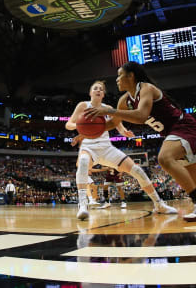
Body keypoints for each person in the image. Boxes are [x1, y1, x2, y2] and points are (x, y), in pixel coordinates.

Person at [83, 62, 196, 221]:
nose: (117, 79)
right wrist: (86, 132)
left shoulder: (146, 89)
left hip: (183, 127)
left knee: (164, 158)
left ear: (131, 76)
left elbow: (141, 116)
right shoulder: (124, 101)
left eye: (119, 75)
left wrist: (108, 110)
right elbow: (113, 123)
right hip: (171, 134)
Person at [68, 80, 177, 221]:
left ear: (103, 94)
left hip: (107, 148)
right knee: (82, 162)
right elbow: (68, 124)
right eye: (95, 88)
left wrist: (124, 132)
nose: (98, 90)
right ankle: (83, 205)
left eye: (101, 89)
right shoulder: (83, 105)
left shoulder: (107, 108)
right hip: (89, 147)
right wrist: (81, 125)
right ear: (90, 92)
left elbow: (117, 123)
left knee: (137, 170)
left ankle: (159, 204)